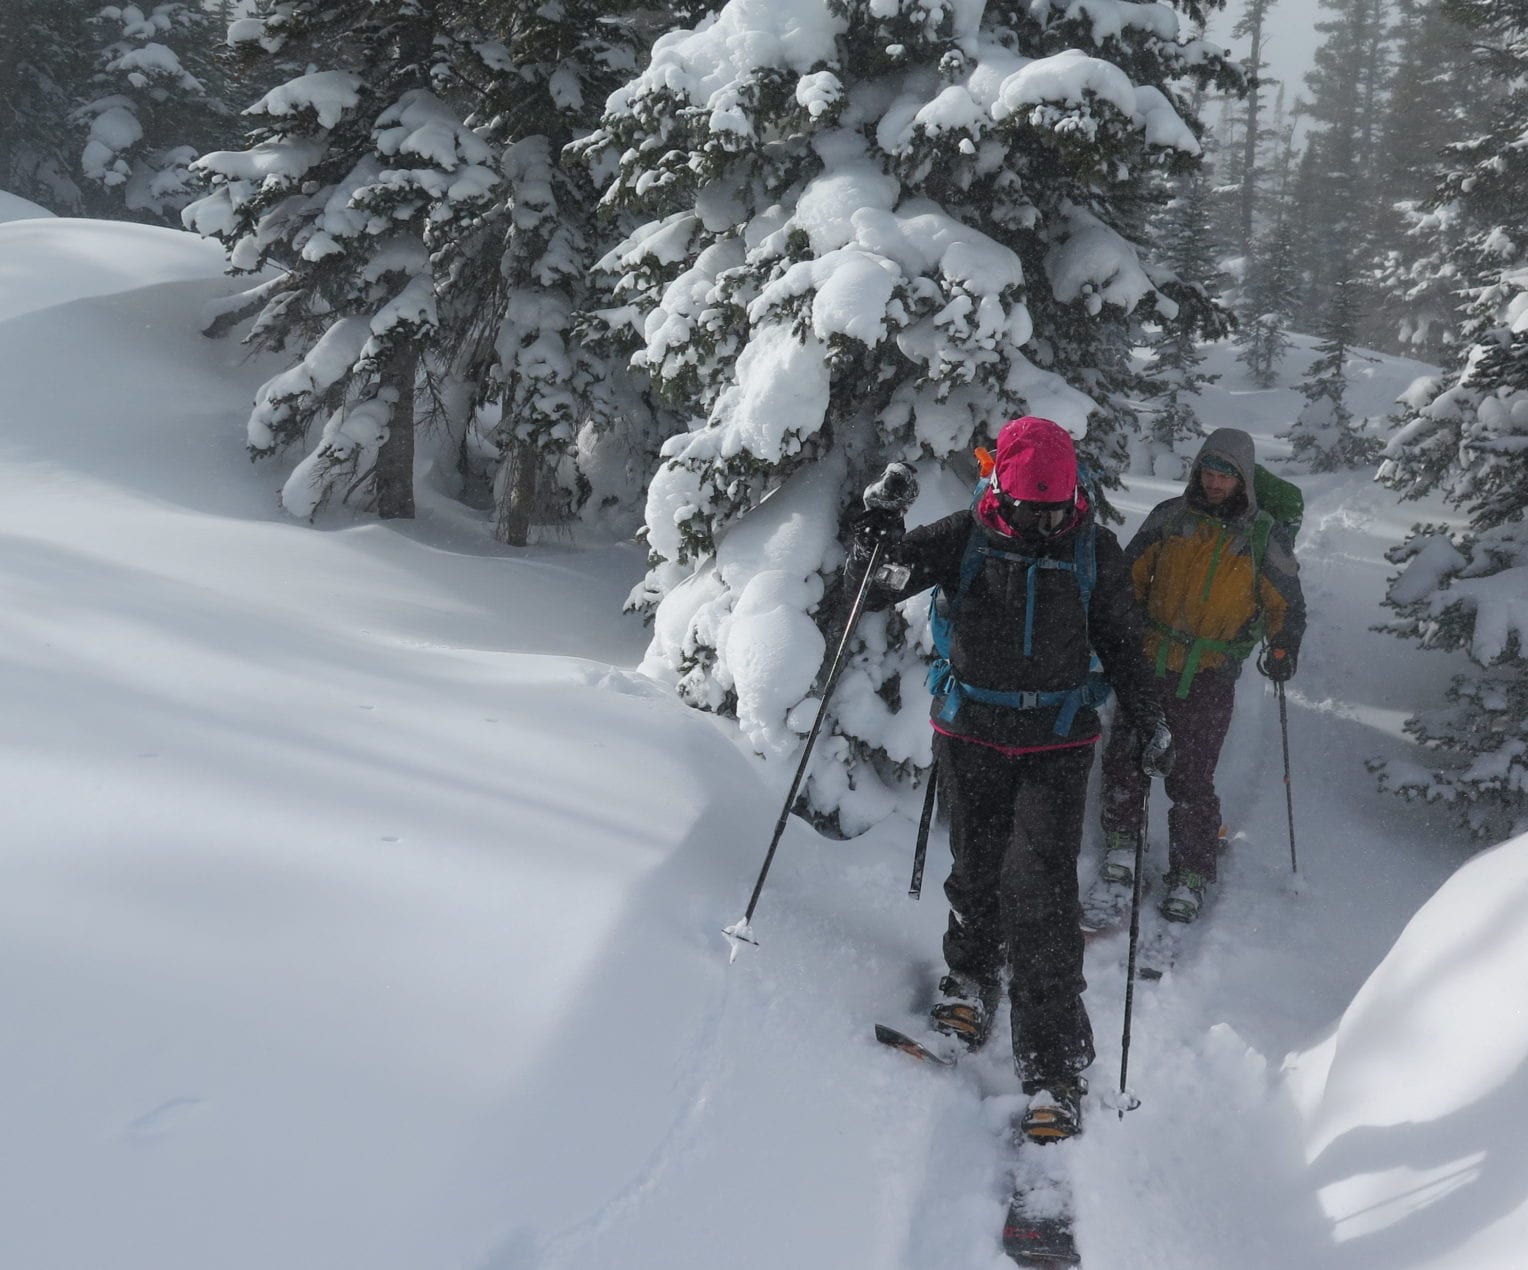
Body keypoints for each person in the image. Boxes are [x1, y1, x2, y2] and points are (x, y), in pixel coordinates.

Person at [852, 416, 1170, 1141]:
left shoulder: (1092, 549)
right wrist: (875, 524)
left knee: (1042, 893)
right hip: (971, 734)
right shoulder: (965, 534)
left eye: (1056, 511)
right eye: (1032, 510)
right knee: (976, 868)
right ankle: (970, 979)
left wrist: (1150, 719)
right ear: (1004, 492)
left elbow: (1122, 642)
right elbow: (879, 584)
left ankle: (1054, 1066)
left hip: (1057, 742)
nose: (1043, 523)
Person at [1094, 427, 1305, 923]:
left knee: (1191, 775)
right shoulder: (1170, 517)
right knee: (1127, 757)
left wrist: (1283, 646)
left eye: (1225, 476)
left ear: (1244, 480)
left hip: (1210, 671)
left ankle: (1191, 872)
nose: (1213, 483)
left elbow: (1288, 603)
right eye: (1208, 472)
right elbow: (1126, 577)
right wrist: (1114, 630)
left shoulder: (1262, 536)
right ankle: (1122, 846)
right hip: (1148, 661)